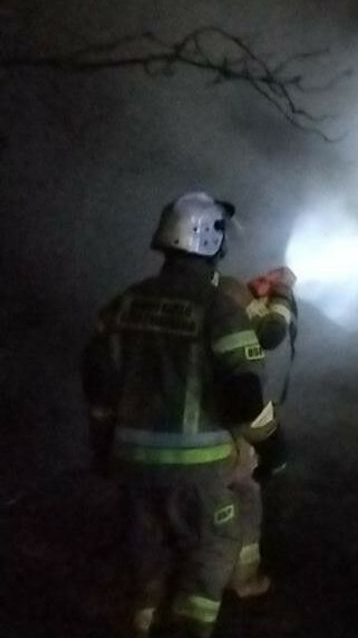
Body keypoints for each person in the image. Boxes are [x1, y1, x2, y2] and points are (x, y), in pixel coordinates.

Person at [82, 191, 277, 637]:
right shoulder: (218, 310)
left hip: (130, 463)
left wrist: (102, 446)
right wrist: (274, 443)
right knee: (210, 551)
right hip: (198, 471)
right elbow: (245, 397)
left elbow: (96, 382)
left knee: (147, 550)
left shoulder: (125, 303)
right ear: (212, 242)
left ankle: (142, 621)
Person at [216, 266, 297, 598]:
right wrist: (283, 294)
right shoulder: (234, 351)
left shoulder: (178, 298)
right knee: (246, 497)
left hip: (154, 436)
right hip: (215, 447)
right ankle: (242, 578)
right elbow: (272, 333)